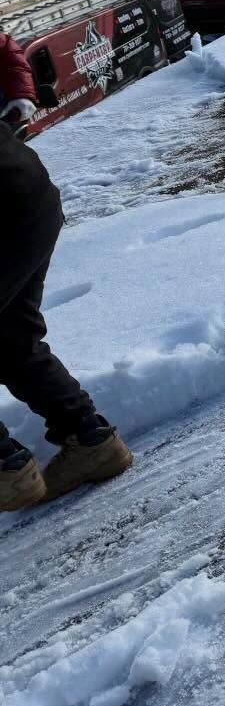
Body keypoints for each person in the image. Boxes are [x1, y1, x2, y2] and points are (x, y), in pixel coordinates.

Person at [0, 33, 132, 511]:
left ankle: (7, 469)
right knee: (11, 338)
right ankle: (92, 440)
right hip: (27, 195)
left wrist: (19, 91)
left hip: (8, 205)